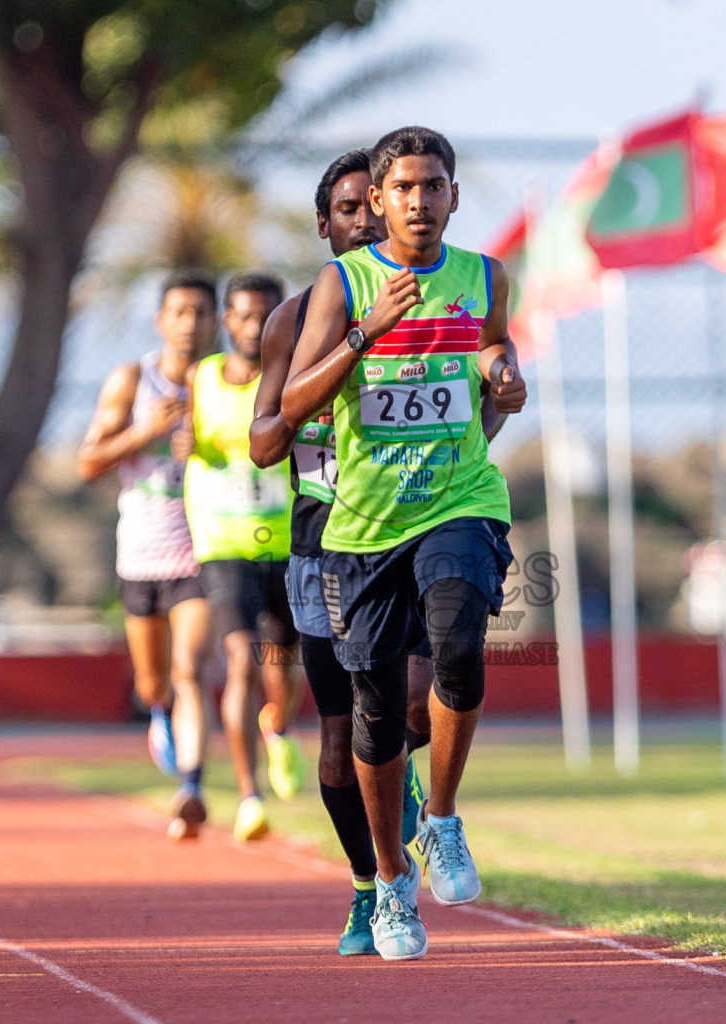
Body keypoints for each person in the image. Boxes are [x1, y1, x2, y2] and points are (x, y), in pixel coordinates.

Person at [281, 126, 526, 961]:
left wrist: (502, 373)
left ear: (454, 196)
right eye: (406, 189)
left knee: (459, 646)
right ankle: (389, 881)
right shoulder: (342, 284)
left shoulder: (485, 275)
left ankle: (444, 818)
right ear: (380, 201)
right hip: (362, 528)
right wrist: (364, 333)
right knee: (377, 716)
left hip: (460, 501)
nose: (421, 201)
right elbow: (288, 406)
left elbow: (494, 345)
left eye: (436, 186)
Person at [78, 269, 216, 841]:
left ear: (217, 322)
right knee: (154, 682)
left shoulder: (226, 382)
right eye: (179, 312)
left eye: (201, 313)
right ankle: (157, 713)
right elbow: (88, 463)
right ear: (161, 320)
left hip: (202, 550)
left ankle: (192, 786)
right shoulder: (131, 382)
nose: (190, 323)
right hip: (140, 553)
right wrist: (146, 433)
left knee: (191, 669)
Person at [176, 272, 304, 843]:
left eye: (267, 316)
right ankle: (249, 796)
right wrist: (186, 442)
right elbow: (189, 434)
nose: (255, 328)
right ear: (227, 320)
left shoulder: (296, 378)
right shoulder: (201, 378)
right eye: (245, 317)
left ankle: (276, 728)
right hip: (223, 548)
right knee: (238, 664)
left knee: (284, 672)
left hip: (285, 543)